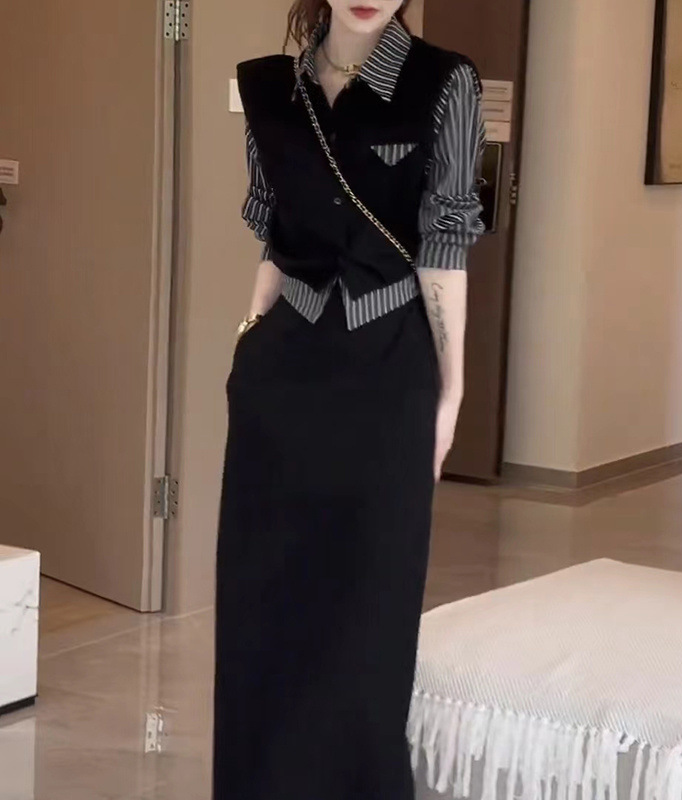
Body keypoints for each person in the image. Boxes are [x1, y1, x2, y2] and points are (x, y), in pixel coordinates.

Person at [213, 1, 485, 798]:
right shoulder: (269, 88)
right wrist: (246, 342)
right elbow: (276, 237)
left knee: (368, 622)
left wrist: (452, 389)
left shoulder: (445, 83)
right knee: (262, 619)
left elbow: (444, 245)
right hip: (280, 384)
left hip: (388, 376)